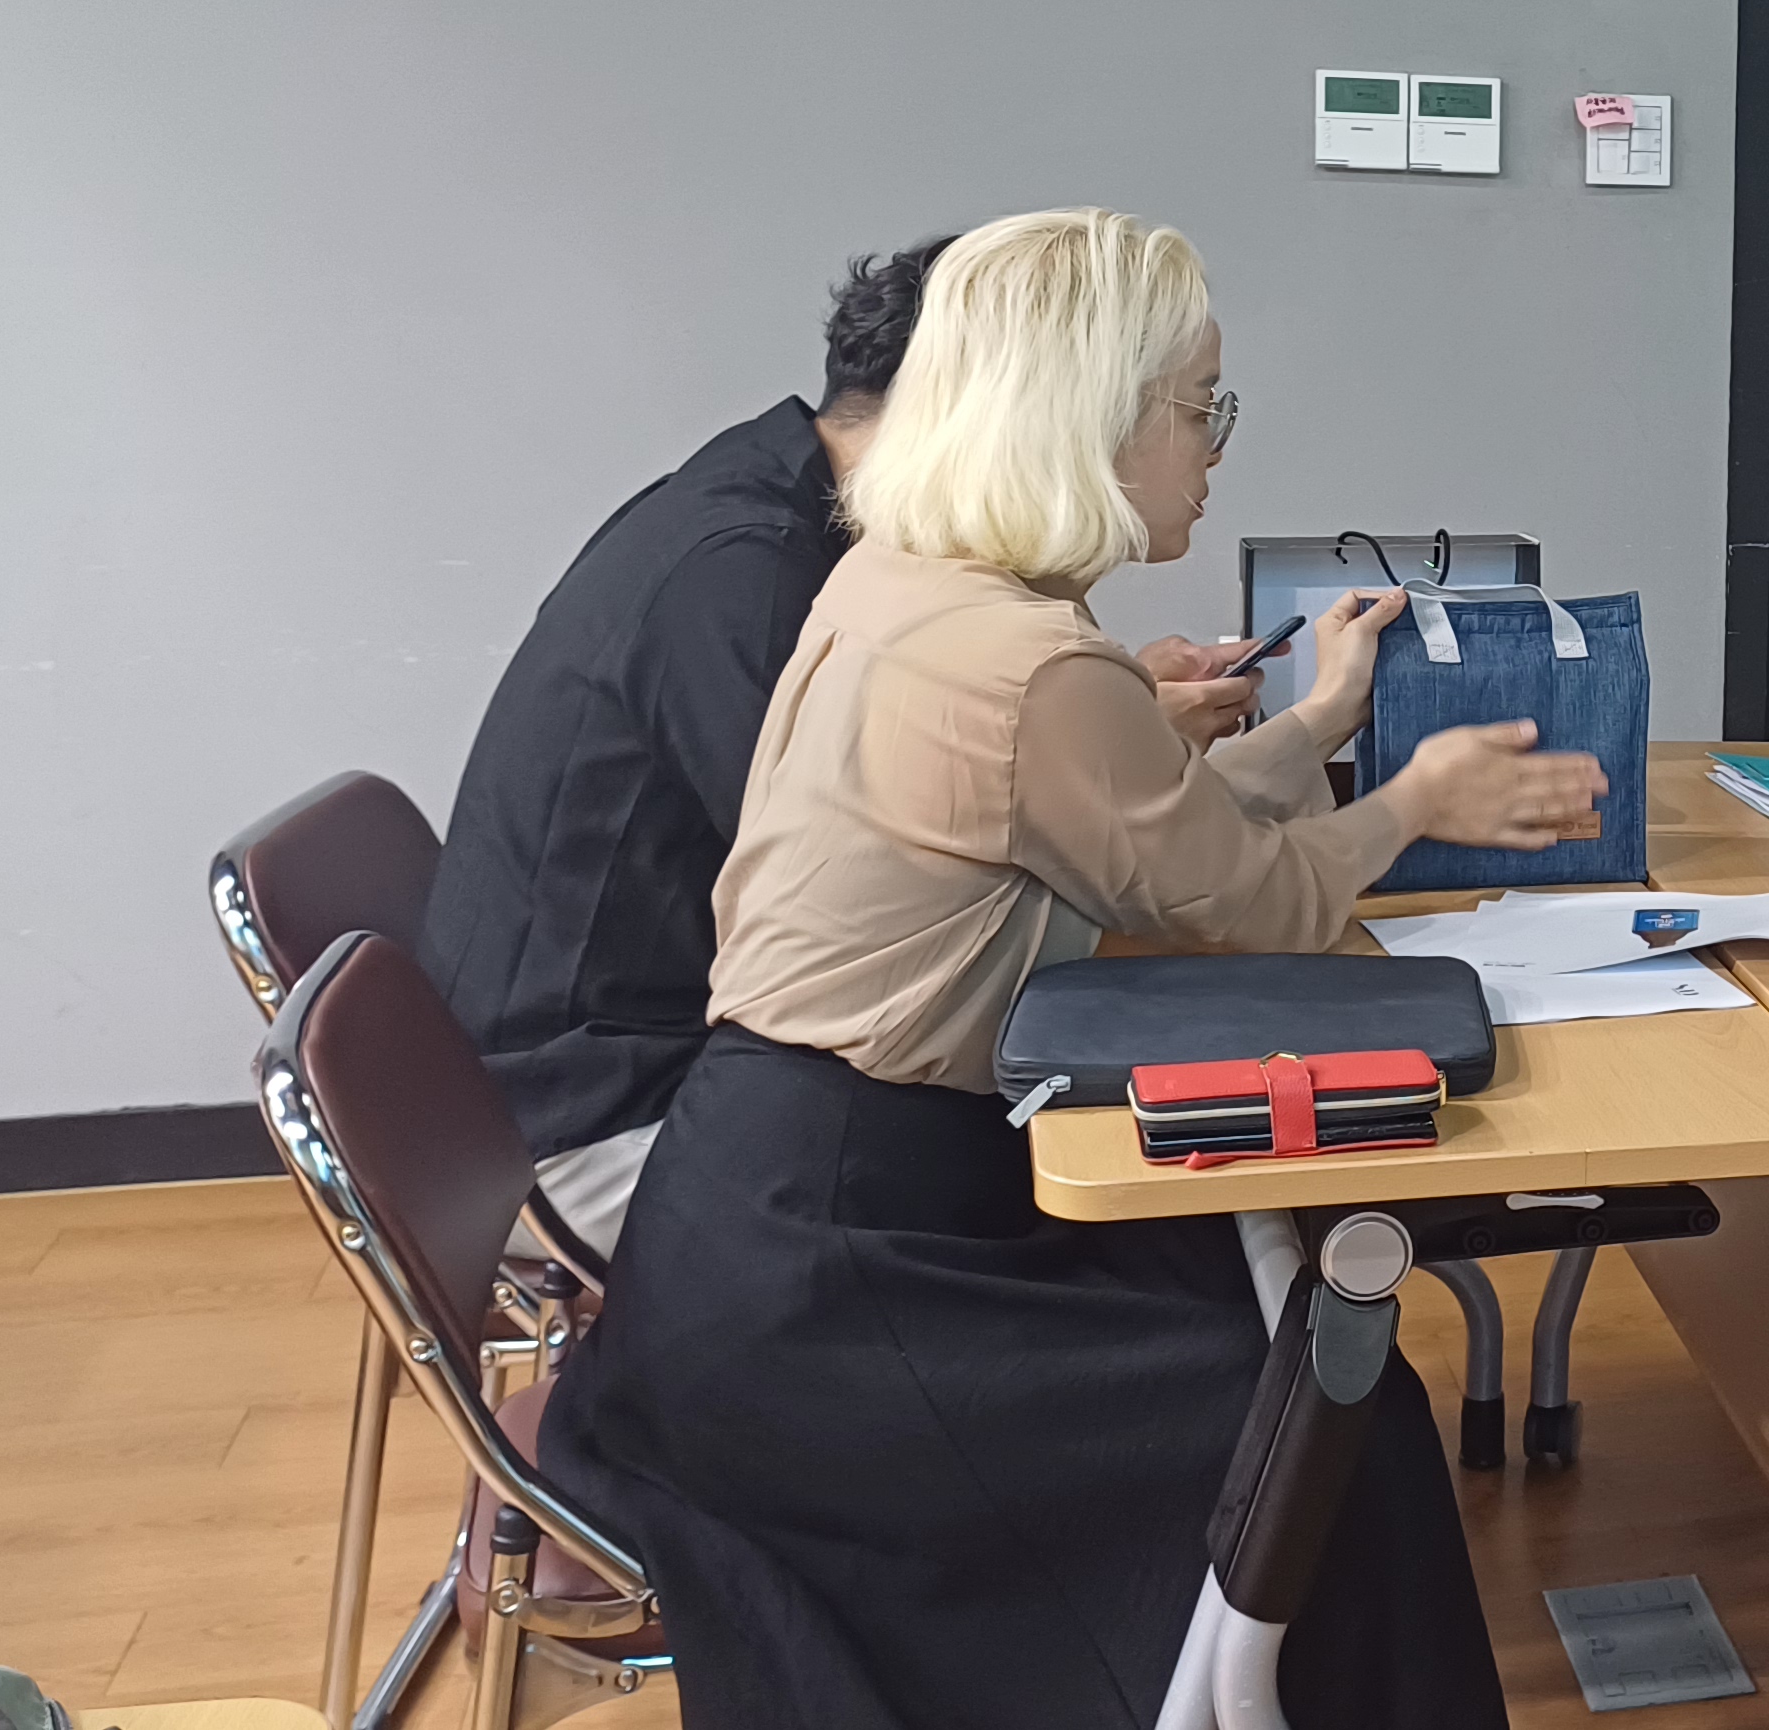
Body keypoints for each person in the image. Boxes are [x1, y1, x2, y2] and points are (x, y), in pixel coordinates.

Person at [541, 207, 1601, 1730]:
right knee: (1333, 1431)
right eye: (1197, 408)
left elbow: (1157, 841)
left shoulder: (915, 586)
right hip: (841, 1269)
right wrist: (1416, 800)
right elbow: (1261, 904)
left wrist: (1317, 723)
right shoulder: (1035, 662)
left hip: (770, 1201)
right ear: (1091, 419)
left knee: (1285, 1344)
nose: (1214, 449)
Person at [423, 239, 1272, 1255]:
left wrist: (1115, 718)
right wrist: (1114, 758)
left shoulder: (781, 502)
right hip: (610, 1115)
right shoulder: (754, 575)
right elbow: (886, 881)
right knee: (1172, 1171)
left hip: (637, 1057)